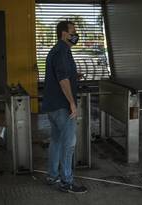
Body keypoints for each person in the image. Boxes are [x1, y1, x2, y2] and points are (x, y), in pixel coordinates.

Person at [42, 21, 87, 194]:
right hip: (62, 106)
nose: (76, 35)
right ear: (64, 34)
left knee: (56, 141)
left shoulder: (59, 51)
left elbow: (63, 74)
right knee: (68, 144)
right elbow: (62, 80)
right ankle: (66, 182)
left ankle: (52, 175)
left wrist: (75, 76)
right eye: (73, 32)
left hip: (52, 105)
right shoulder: (61, 52)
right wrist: (72, 103)